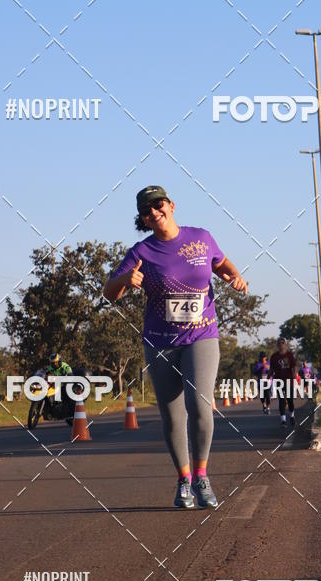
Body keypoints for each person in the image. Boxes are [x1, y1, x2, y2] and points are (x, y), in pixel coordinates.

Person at [103, 185, 247, 509]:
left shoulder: (201, 238)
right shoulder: (141, 252)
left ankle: (201, 476)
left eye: (158, 205)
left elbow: (222, 264)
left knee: (199, 405)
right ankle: (183, 480)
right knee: (172, 416)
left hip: (201, 335)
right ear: (143, 219)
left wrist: (236, 277)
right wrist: (124, 281)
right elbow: (109, 293)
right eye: (146, 211)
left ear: (171, 205)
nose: (154, 212)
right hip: (160, 342)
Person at [269, 337, 298, 429]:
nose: (281, 345)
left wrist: (295, 376)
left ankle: (292, 416)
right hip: (279, 381)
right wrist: (268, 378)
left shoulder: (289, 355)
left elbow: (294, 366)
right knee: (281, 400)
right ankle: (283, 420)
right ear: (277, 345)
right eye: (279, 343)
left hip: (289, 381)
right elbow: (271, 369)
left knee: (290, 400)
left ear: (285, 344)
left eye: (282, 343)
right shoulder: (274, 356)